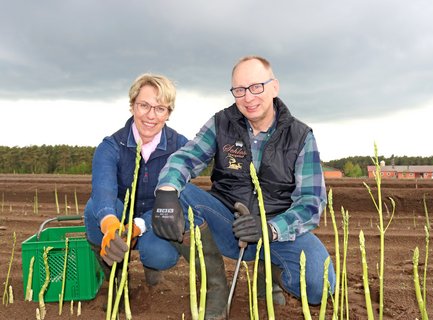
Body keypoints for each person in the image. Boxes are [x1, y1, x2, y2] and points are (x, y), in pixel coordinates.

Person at [152, 55, 336, 319]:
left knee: (322, 285)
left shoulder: (300, 136)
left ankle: (268, 272)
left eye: (256, 87)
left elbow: (311, 202)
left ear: (274, 87)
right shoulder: (221, 123)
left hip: (277, 230)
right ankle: (215, 287)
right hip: (227, 222)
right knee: (178, 195)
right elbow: (185, 158)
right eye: (239, 90)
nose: (248, 97)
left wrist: (270, 230)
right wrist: (167, 192)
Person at [84, 73, 188, 286]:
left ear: (169, 113)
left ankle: (153, 271)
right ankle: (113, 271)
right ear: (132, 106)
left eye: (160, 108)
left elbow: (180, 201)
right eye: (144, 106)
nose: (151, 115)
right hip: (119, 216)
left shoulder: (180, 147)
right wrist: (111, 225)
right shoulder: (111, 146)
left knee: (160, 254)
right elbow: (103, 191)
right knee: (94, 207)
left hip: (155, 221)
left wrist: (139, 225)